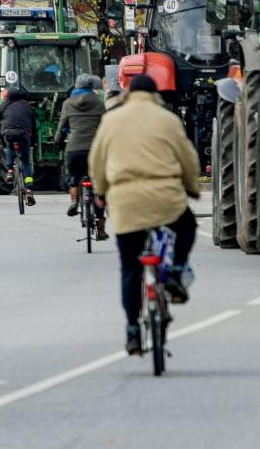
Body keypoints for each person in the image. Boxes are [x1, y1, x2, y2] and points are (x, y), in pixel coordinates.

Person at [89, 74, 201, 354]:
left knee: (130, 267)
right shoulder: (167, 119)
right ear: (155, 95)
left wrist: (101, 194)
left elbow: (97, 162)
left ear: (128, 94)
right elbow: (188, 159)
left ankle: (132, 330)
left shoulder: (111, 120)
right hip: (166, 198)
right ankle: (175, 270)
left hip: (125, 203)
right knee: (187, 226)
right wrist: (192, 187)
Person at [53, 74, 107, 237]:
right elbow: (105, 125)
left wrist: (58, 142)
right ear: (92, 87)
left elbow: (62, 127)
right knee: (98, 186)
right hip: (94, 149)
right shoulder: (98, 104)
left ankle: (75, 201)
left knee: (74, 177)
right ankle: (101, 229)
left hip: (74, 148)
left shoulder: (68, 104)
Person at [0, 84, 35, 206]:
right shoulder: (27, 106)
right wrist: (33, 142)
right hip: (23, 134)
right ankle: (29, 189)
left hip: (7, 133)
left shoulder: (3, 105)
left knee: (9, 147)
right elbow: (33, 126)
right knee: (25, 162)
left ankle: (9, 170)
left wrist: (3, 142)